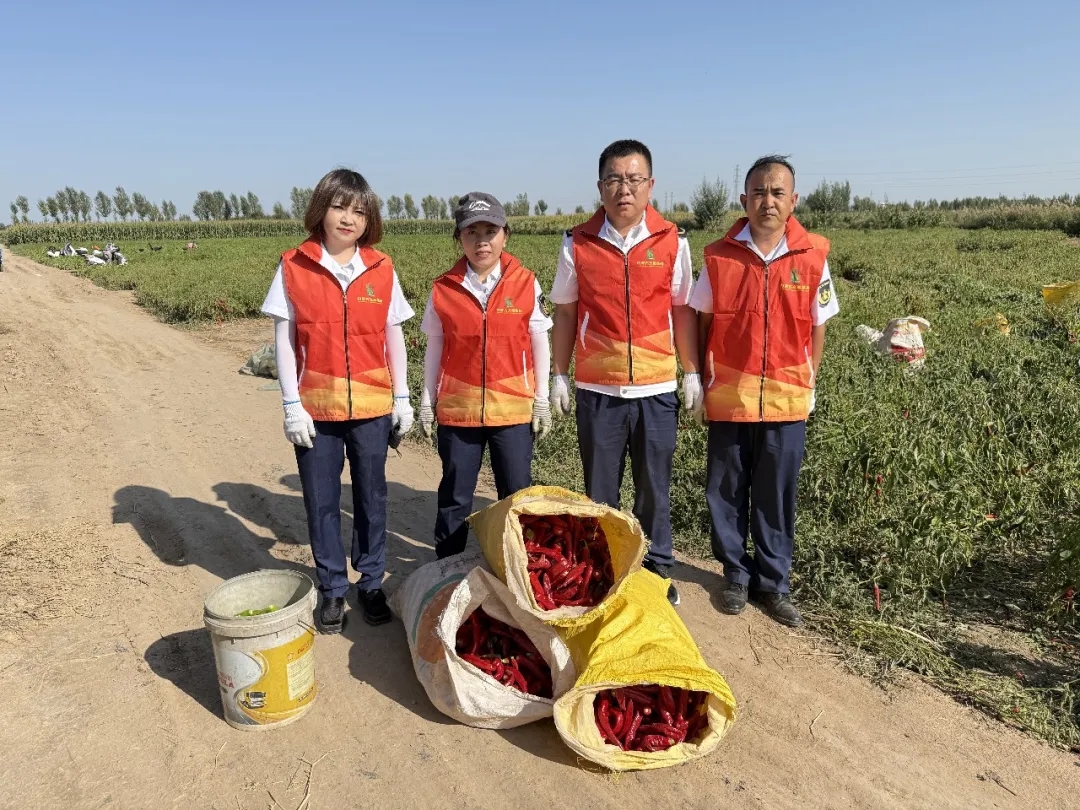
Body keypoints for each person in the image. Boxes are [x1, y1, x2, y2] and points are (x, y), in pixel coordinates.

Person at [261, 168, 415, 632]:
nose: (348, 218)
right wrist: (291, 403)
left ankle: (369, 582)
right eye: (339, 206)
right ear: (321, 210)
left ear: (369, 220)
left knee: (371, 497)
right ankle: (332, 587)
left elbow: (394, 337)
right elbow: (284, 340)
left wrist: (402, 398)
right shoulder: (294, 266)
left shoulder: (381, 269)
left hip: (371, 408)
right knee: (321, 500)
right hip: (316, 408)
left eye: (359, 210)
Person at [688, 155, 839, 628]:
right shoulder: (718, 257)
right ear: (744, 200)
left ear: (793, 201)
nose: (767, 201)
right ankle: (735, 574)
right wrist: (695, 377)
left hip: (787, 400)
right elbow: (701, 321)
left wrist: (809, 380)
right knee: (726, 490)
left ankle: (774, 584)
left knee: (776, 494)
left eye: (777, 193)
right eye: (759, 192)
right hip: (730, 400)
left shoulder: (813, 255)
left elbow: (817, 328)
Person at [549, 139, 700, 606]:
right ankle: (604, 570)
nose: (624, 189)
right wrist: (558, 373)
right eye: (614, 180)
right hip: (598, 387)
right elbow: (567, 312)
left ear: (650, 185)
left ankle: (655, 571)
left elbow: (683, 312)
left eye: (634, 180)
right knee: (601, 490)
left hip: (656, 388)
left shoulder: (673, 241)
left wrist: (691, 372)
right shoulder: (578, 243)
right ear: (600, 187)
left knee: (654, 485)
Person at [419, 192, 552, 559]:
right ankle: (447, 571)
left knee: (515, 494)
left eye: (490, 231)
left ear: (505, 235)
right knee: (455, 496)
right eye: (471, 232)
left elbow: (539, 340)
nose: (482, 241)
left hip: (512, 412)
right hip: (459, 412)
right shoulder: (443, 288)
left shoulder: (526, 282)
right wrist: (426, 400)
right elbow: (434, 346)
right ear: (459, 238)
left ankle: (518, 569)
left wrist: (541, 397)